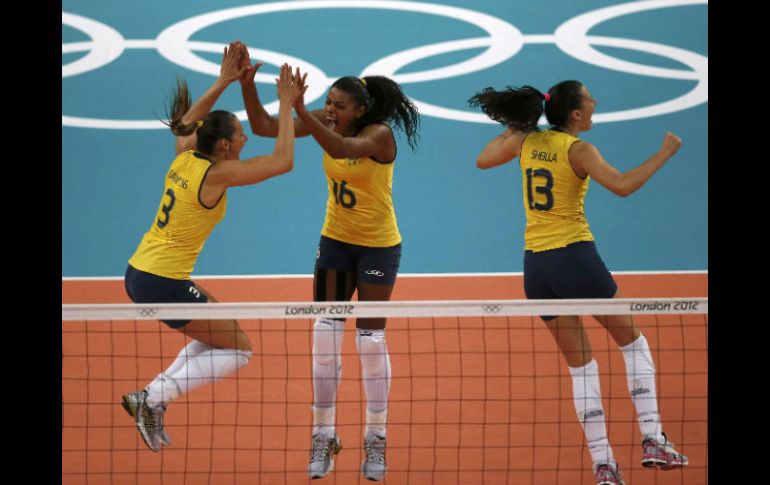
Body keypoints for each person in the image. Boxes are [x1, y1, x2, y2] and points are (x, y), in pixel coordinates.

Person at [469, 81, 688, 485]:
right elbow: (622, 186)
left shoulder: (526, 141)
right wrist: (665, 152)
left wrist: (517, 125)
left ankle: (604, 465)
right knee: (634, 344)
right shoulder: (579, 150)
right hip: (575, 259)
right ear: (575, 114)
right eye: (589, 100)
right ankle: (653, 439)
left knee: (582, 367)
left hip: (537, 270)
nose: (595, 103)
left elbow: (483, 159)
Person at [236, 42, 420, 481]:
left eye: (339, 105)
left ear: (361, 110)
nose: (331, 110)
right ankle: (323, 435)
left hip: (377, 247)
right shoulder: (328, 120)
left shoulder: (379, 135)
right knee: (324, 337)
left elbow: (339, 149)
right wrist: (248, 87)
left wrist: (300, 108)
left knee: (370, 342)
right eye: (328, 103)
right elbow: (263, 127)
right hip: (336, 242)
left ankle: (376, 438)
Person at [120, 43, 304, 453]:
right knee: (240, 351)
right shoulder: (216, 175)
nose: (245, 137)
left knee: (222, 336)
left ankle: (154, 399)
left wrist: (224, 80)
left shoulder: (185, 155)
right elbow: (282, 161)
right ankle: (152, 397)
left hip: (141, 272)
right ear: (223, 146)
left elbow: (183, 123)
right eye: (240, 134)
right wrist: (286, 103)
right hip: (162, 282)